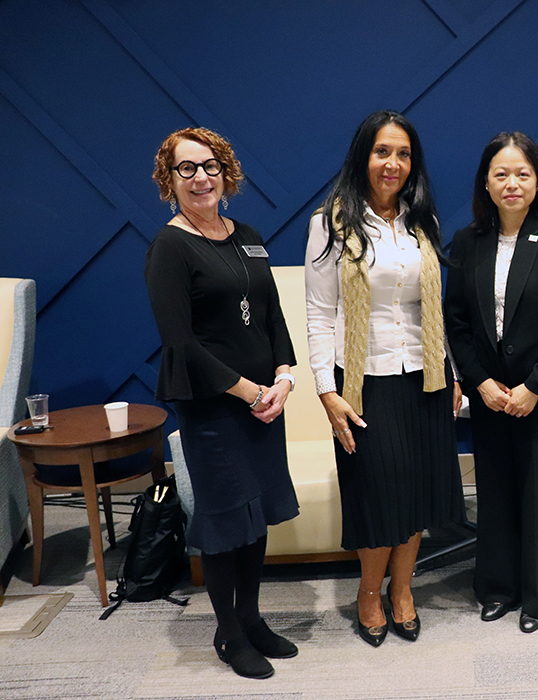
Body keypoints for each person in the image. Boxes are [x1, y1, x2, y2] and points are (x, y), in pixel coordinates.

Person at [145, 127, 299, 679]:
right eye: (186, 168)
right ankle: (229, 635)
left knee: (255, 517)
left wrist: (284, 377)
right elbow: (181, 343)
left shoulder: (247, 235)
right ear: (170, 180)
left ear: (225, 172)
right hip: (214, 407)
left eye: (209, 165)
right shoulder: (169, 246)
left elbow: (273, 313)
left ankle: (252, 620)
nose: (201, 177)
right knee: (224, 518)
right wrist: (249, 390)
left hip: (265, 401)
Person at [305, 110, 463, 648]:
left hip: (425, 377)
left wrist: (453, 371)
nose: (392, 163)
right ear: (362, 157)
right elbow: (319, 313)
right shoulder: (332, 222)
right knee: (376, 492)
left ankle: (403, 589)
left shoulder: (424, 222)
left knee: (416, 492)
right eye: (382, 152)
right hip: (362, 383)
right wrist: (326, 390)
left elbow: (433, 307)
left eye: (403, 154)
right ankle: (369, 592)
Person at [444, 132, 538, 633]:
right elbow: (455, 321)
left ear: (537, 180)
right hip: (490, 396)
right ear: (486, 181)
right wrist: (480, 382)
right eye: (501, 174)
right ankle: (498, 588)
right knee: (497, 492)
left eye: (522, 173)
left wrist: (535, 387)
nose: (511, 183)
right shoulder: (466, 242)